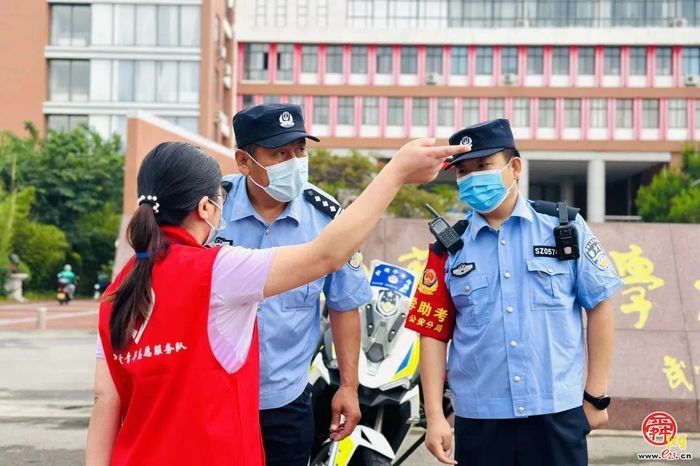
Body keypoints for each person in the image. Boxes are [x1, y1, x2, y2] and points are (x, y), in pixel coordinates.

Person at [85, 138, 469, 466]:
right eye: (219, 200)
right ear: (205, 209)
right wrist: (395, 172)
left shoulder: (119, 290)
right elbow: (327, 254)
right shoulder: (216, 271)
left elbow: (106, 400)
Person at [405, 119, 622, 466]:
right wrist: (434, 416)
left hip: (556, 413)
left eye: (483, 166)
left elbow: (600, 305)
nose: (473, 177)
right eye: (463, 171)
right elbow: (432, 332)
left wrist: (596, 397)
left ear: (514, 167)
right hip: (481, 419)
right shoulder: (448, 248)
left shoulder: (563, 228)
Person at [215, 103, 370, 466]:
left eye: (299, 150)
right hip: (214, 398)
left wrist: (349, 386)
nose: (294, 161)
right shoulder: (209, 211)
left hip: (285, 402)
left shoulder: (327, 218)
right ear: (243, 161)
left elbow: (345, 303)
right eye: (279, 153)